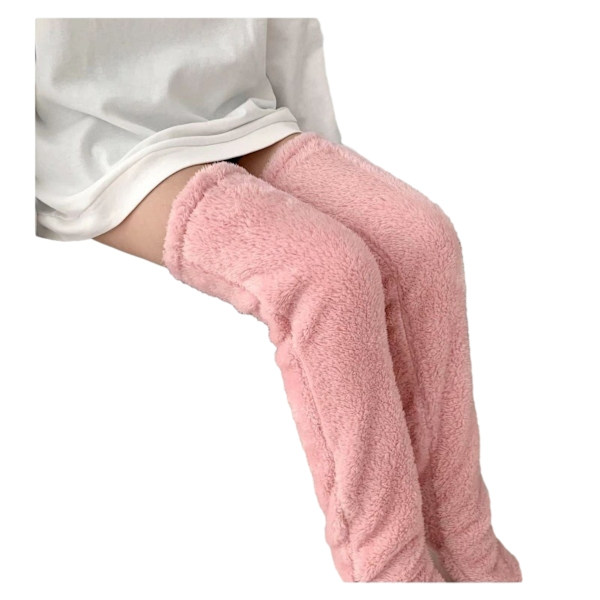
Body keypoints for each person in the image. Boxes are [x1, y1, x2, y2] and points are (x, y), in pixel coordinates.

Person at [35, 17, 522, 583]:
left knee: (423, 243)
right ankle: (388, 571)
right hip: (94, 141)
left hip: (241, 114)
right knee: (328, 274)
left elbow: (286, 25)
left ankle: (468, 549)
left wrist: (319, 150)